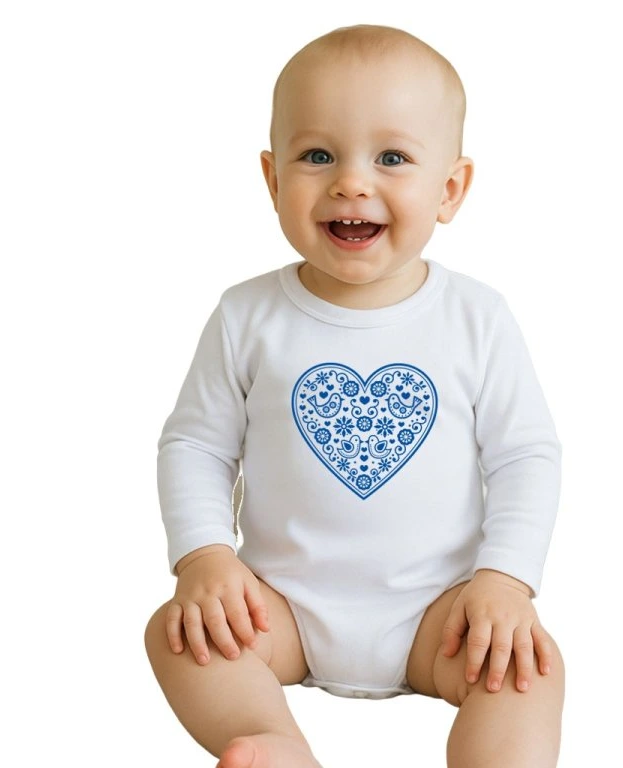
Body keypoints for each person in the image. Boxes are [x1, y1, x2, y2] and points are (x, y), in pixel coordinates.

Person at [145, 23, 565, 768]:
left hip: (442, 616)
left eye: (391, 158)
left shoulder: (477, 318)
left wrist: (505, 582)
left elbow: (525, 456)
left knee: (529, 665)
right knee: (178, 632)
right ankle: (277, 742)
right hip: (277, 609)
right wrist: (204, 558)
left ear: (450, 189)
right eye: (317, 156)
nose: (351, 183)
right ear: (273, 180)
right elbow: (196, 445)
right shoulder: (247, 316)